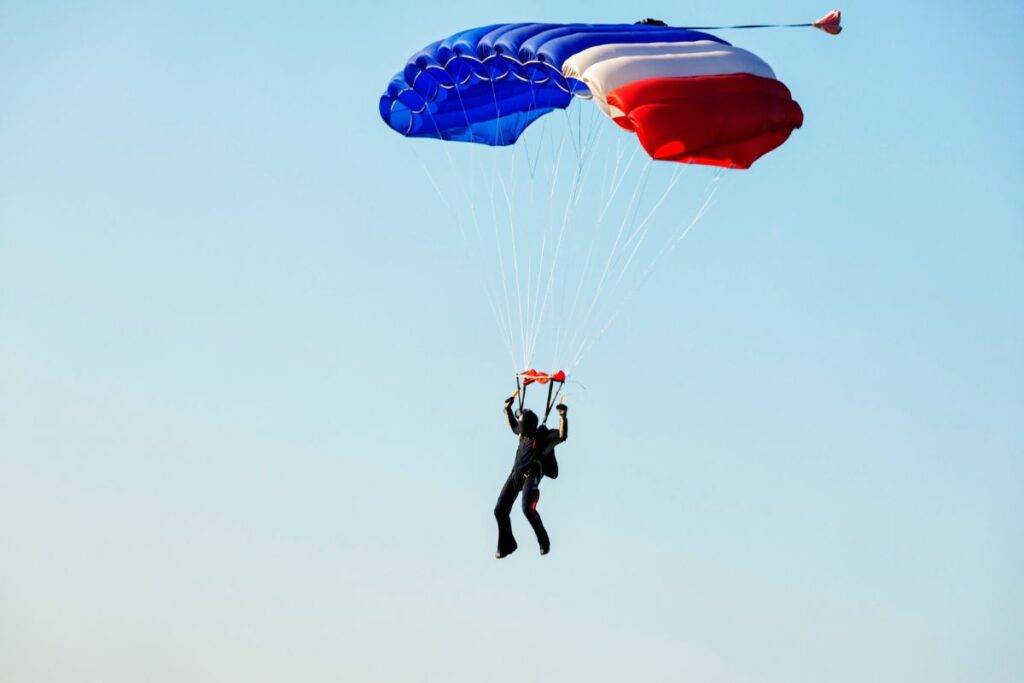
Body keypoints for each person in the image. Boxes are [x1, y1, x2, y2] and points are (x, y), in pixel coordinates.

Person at [493, 393, 568, 559]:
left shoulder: (542, 436)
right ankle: (507, 545)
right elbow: (513, 425)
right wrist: (507, 409)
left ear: (528, 427)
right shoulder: (523, 432)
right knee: (499, 510)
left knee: (527, 509)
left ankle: (544, 541)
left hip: (530, 475)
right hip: (515, 475)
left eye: (522, 428)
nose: (520, 432)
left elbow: (562, 436)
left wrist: (563, 417)